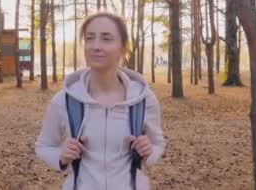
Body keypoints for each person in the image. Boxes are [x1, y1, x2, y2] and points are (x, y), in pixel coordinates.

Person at [35, 12, 165, 190]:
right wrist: (62, 156)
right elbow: (44, 146)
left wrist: (148, 151)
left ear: (122, 48)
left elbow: (157, 144)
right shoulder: (65, 99)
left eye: (106, 38)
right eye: (89, 38)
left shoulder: (143, 100)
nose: (96, 46)